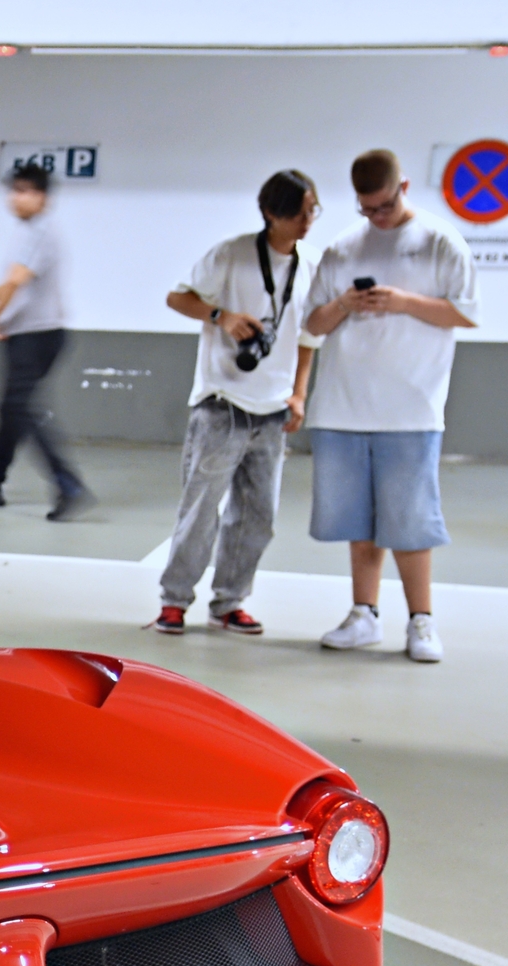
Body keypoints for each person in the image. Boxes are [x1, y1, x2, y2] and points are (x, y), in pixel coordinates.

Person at [300, 148, 478, 663]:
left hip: (410, 407)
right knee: (358, 524)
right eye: (365, 209)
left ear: (402, 189)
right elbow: (313, 324)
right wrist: (344, 305)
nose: (375, 217)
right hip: (343, 406)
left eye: (382, 206)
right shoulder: (342, 249)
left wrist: (402, 302)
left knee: (408, 522)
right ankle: (364, 614)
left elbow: (464, 314)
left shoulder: (440, 242)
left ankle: (421, 621)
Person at [150, 170, 322, 636]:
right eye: (301, 212)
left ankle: (229, 602)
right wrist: (219, 316)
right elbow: (176, 297)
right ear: (272, 213)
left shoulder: (310, 267)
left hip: (273, 409)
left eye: (313, 211)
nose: (309, 220)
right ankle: (174, 601)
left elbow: (308, 338)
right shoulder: (231, 254)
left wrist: (299, 393)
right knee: (200, 511)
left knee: (258, 516)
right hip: (221, 403)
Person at [0, 162, 91, 520]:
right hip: (33, 335)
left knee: (20, 408)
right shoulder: (34, 231)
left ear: (41, 197)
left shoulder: (39, 231)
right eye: (12, 190)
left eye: (23, 191)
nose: (14, 198)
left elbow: (16, 281)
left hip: (36, 337)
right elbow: (15, 282)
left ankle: (67, 483)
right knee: (11, 408)